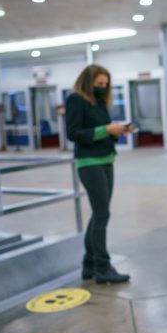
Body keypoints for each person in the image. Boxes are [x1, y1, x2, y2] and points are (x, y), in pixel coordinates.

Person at [66, 64, 133, 284]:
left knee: (98, 215)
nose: (103, 88)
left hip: (106, 160)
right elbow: (73, 133)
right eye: (99, 84)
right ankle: (103, 268)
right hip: (89, 163)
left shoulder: (101, 102)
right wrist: (106, 130)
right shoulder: (76, 100)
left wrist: (118, 131)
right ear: (89, 82)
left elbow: (104, 129)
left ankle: (89, 266)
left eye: (105, 85)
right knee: (102, 215)